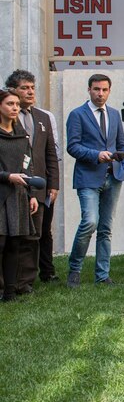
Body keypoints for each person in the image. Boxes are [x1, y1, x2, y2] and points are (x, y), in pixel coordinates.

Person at [66, 74, 124, 288]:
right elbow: (72, 146)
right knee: (89, 222)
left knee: (106, 228)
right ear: (89, 90)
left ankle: (102, 275)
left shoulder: (113, 114)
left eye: (104, 89)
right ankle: (74, 269)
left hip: (113, 177)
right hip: (88, 178)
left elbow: (121, 145)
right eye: (96, 89)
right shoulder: (77, 115)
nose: (100, 93)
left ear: (109, 91)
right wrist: (96, 154)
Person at [5, 70, 60, 293]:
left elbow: (51, 154)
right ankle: (9, 282)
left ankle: (26, 282)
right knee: (13, 235)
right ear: (12, 91)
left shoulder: (43, 117)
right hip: (14, 185)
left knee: (35, 234)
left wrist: (53, 184)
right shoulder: (8, 116)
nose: (29, 92)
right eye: (24, 88)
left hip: (40, 185)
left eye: (32, 87)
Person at [0, 90, 38, 301]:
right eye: (10, 104)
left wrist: (32, 194)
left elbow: (28, 164)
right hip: (2, 193)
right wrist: (7, 176)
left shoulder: (22, 135)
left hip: (18, 195)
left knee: (15, 243)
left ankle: (10, 292)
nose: (15, 108)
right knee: (1, 243)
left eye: (16, 104)